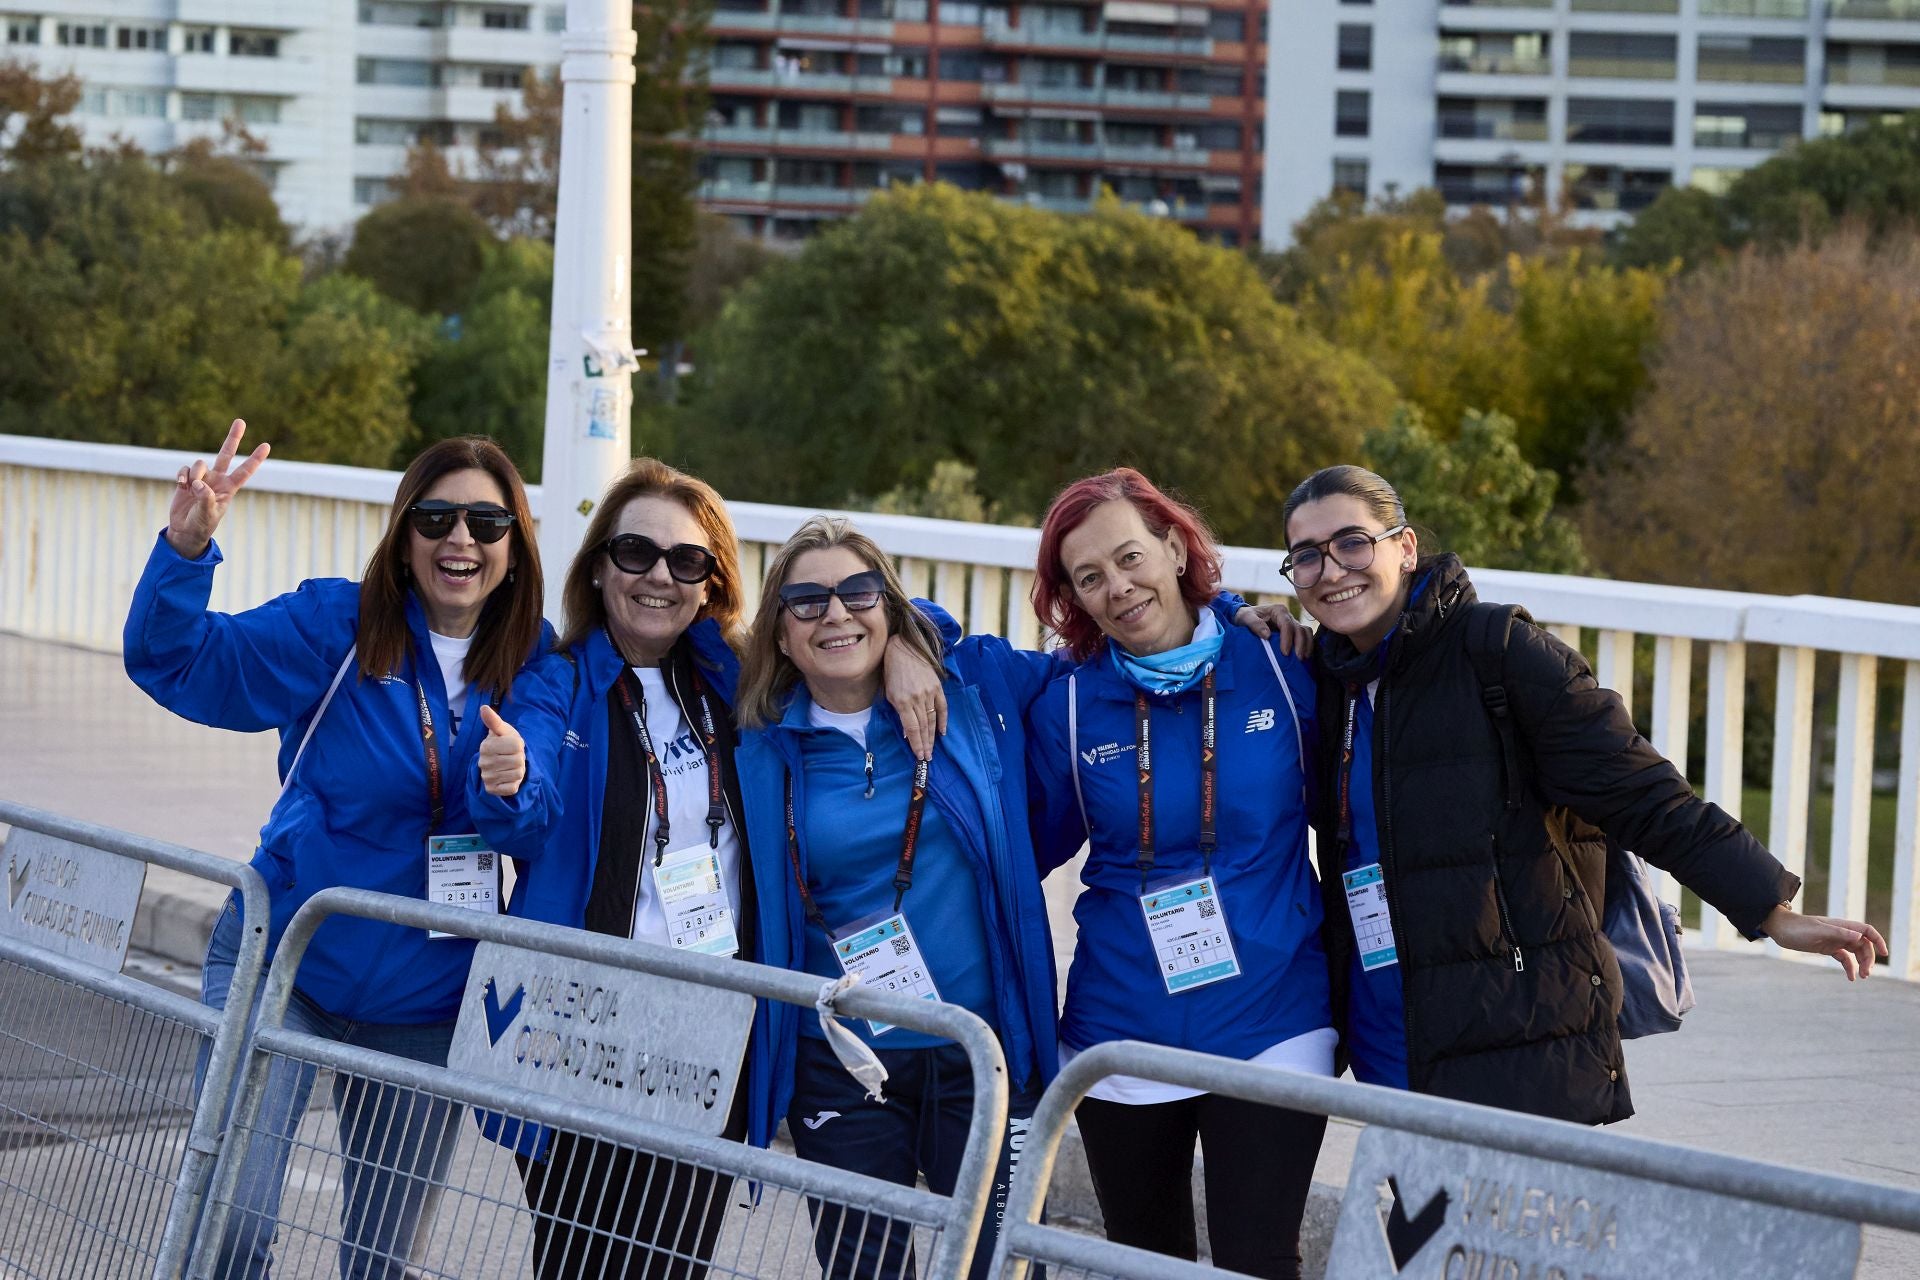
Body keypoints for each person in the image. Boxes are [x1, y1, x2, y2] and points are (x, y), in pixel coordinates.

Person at [1280, 464, 1888, 1123]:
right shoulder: (1322, 679)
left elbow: (1643, 794)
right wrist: (1244, 618)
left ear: (1404, 547)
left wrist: (1769, 908)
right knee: (1414, 1193)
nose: (1331, 571)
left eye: (1352, 543)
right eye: (1306, 556)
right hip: (1387, 1032)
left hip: (1515, 1031)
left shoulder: (1500, 653)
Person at [465, 461, 946, 1280]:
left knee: (676, 1258)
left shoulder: (737, 677)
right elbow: (528, 805)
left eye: (686, 560)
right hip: (582, 1020)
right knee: (581, 1261)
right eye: (635, 552)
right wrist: (508, 780)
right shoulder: (559, 682)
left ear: (711, 580)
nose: (659, 576)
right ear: (598, 567)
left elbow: (857, 622)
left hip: (708, 1025)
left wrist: (904, 646)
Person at [124, 422, 550, 1280]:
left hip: (427, 999)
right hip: (285, 964)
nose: (460, 540)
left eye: (486, 523)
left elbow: (537, 826)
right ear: (403, 532)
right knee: (230, 1226)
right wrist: (185, 551)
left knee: (380, 1259)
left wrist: (515, 786)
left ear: (514, 547)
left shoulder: (535, 659)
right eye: (434, 518)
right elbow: (178, 662)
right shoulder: (338, 625)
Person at [1022, 468, 1334, 1280]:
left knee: (1256, 1260)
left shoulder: (1281, 664)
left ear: (1173, 547)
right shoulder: (1068, 703)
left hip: (1274, 1018)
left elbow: (1360, 813)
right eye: (1090, 577)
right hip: (1121, 1028)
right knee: (1145, 1264)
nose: (1119, 587)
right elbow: (1019, 851)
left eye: (1131, 557)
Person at [733, 516, 1063, 1280]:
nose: (836, 614)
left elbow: (1097, 651)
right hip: (842, 1060)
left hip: (979, 1052)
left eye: (859, 593)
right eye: (807, 601)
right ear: (780, 632)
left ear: (889, 605)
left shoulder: (970, 687)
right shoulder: (759, 739)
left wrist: (921, 641)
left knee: (1004, 1269)